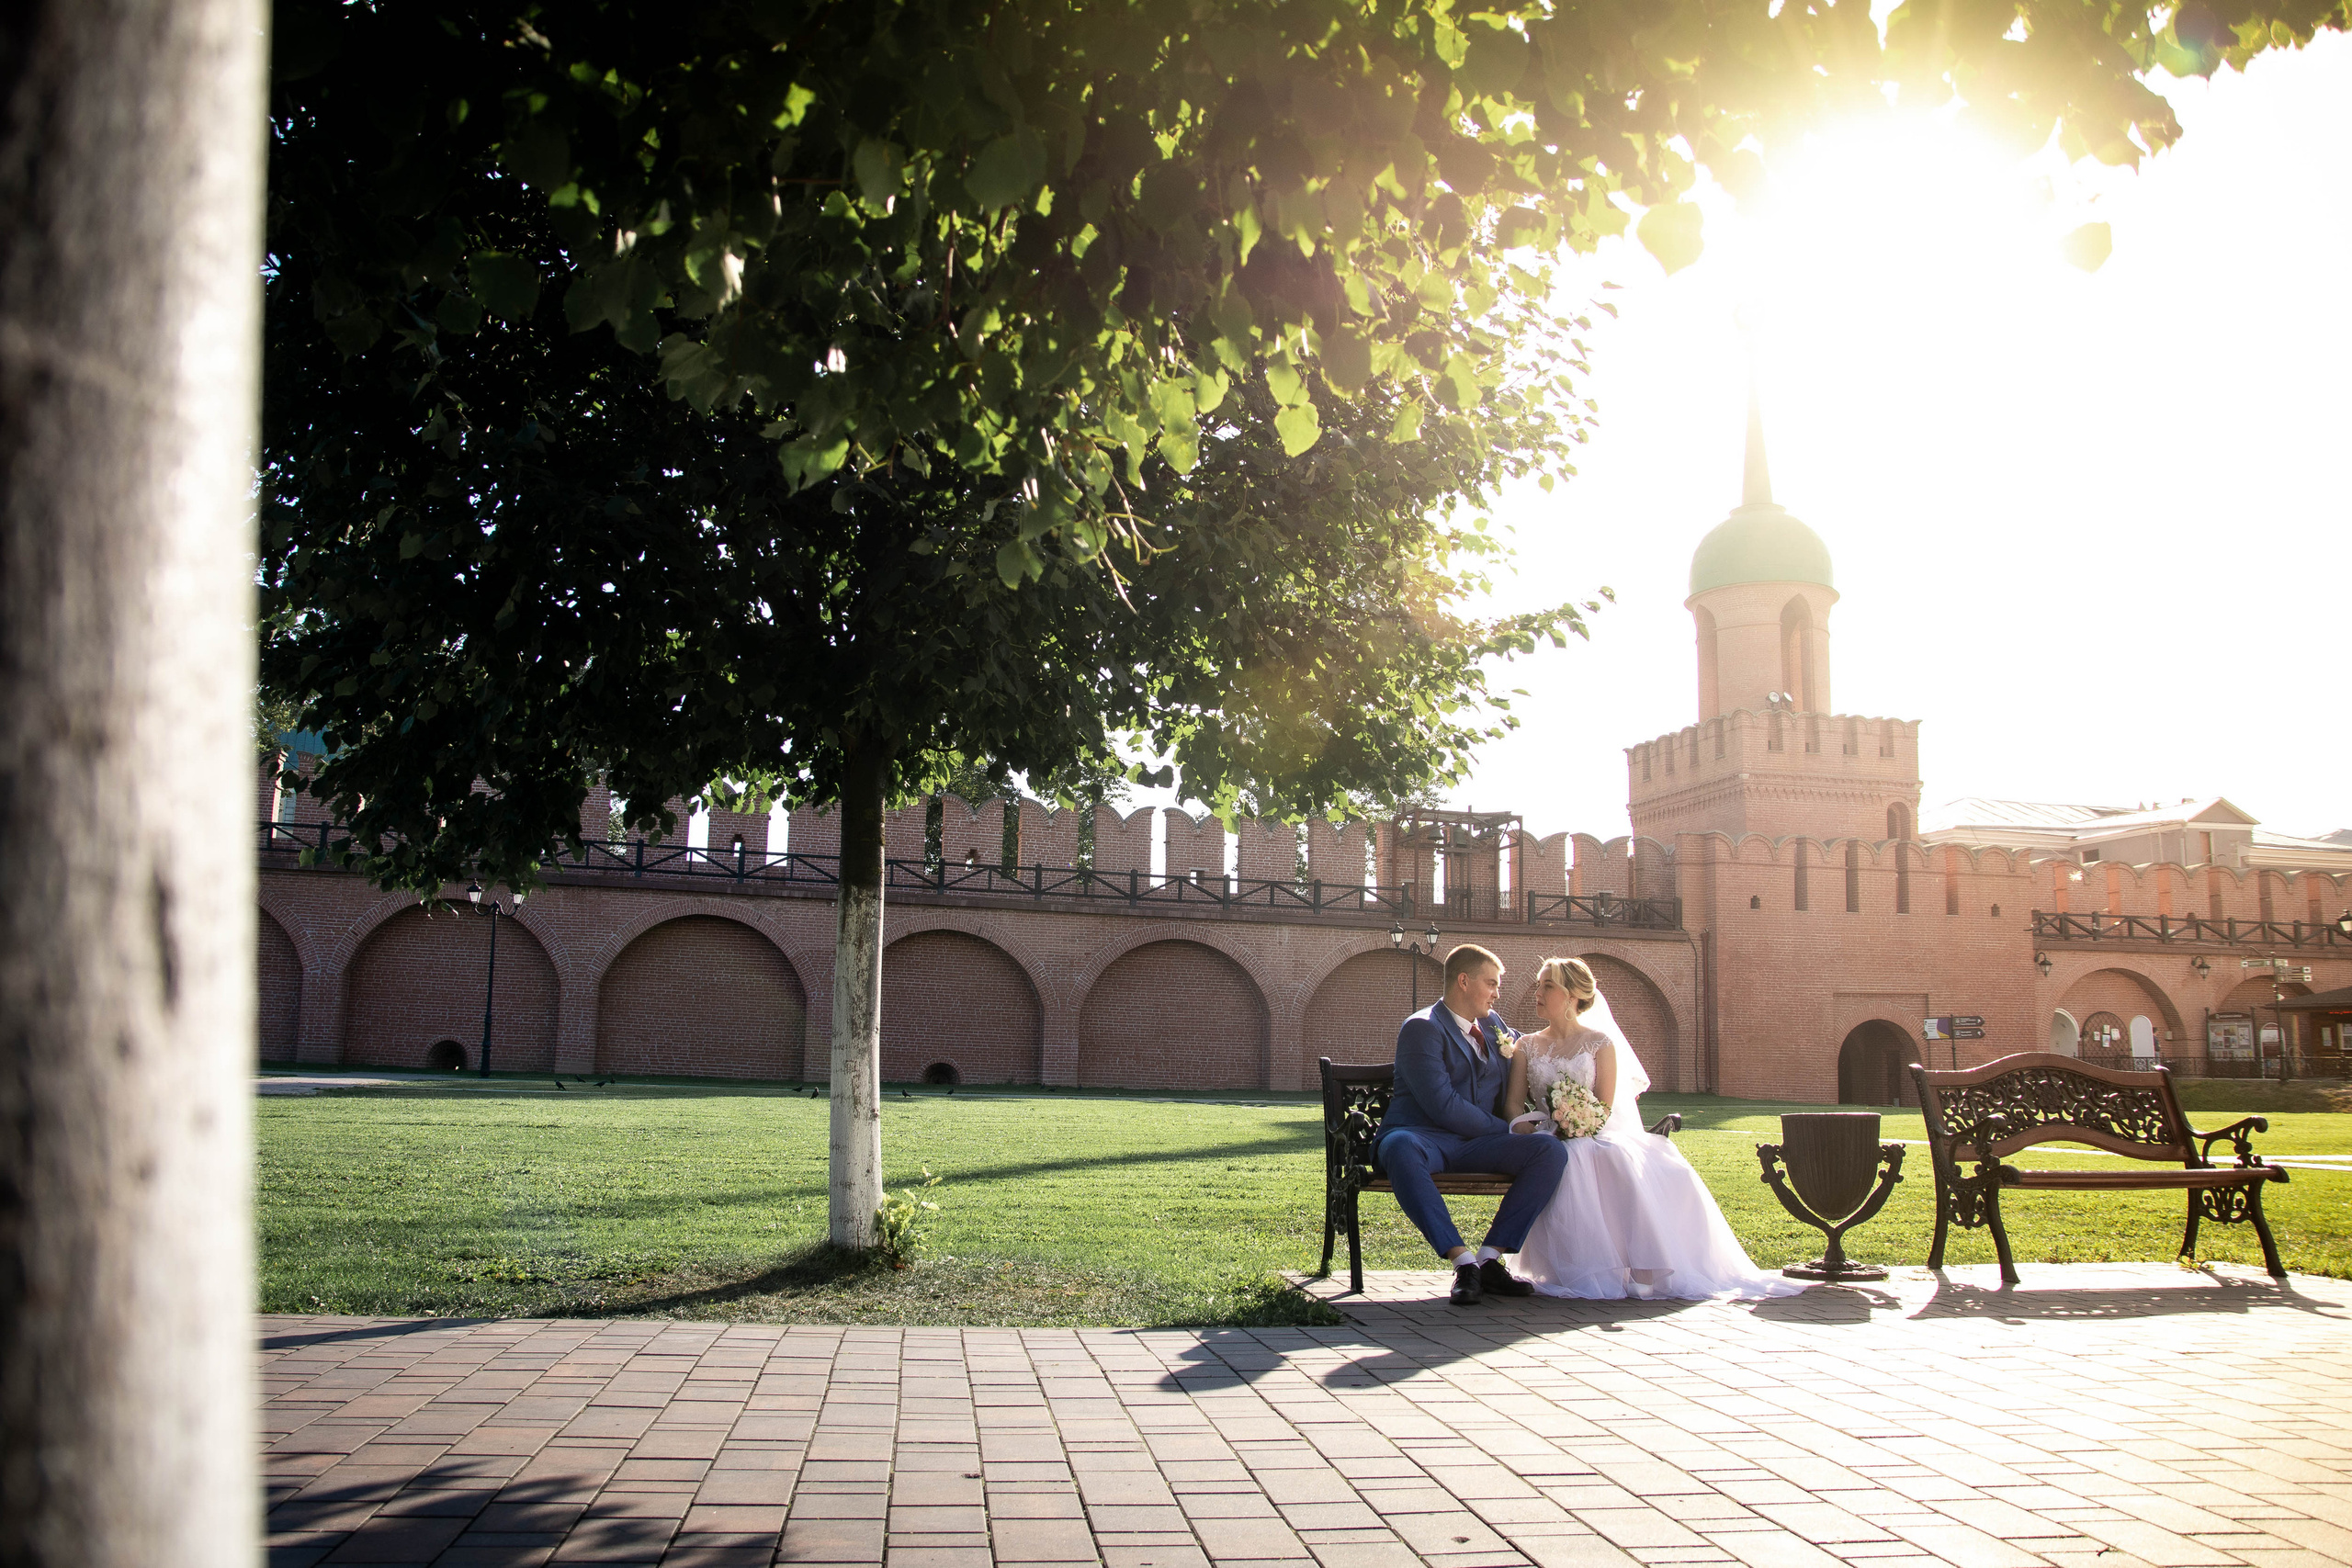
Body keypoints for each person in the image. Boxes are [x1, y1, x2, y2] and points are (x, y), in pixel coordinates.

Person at [1504, 956, 1804, 1300]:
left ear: (1572, 995)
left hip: (1593, 1132)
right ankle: (1576, 1264)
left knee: (1612, 1157)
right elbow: (1513, 1103)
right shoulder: (1526, 1044)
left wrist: (1577, 1125)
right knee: (1566, 1156)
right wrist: (1533, 1131)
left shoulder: (1600, 1043)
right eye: (1539, 985)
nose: (1537, 992)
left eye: (1547, 985)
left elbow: (1602, 1106)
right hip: (1543, 1137)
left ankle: (1640, 1264)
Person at [1374, 944, 1568, 1305]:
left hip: (1476, 1146)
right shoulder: (1422, 1028)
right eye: (1491, 983)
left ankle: (1490, 1260)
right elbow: (1443, 1105)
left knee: (1548, 1151)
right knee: (1399, 1147)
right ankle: (1463, 1262)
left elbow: (1528, 1066)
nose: (1497, 993)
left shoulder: (1494, 1025)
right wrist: (1507, 1130)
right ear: (1463, 981)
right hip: (1425, 1140)